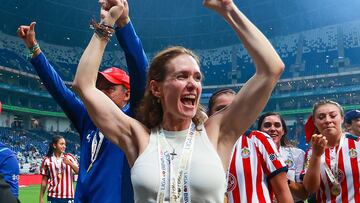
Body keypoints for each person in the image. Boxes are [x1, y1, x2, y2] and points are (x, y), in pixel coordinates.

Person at [73, 0, 287, 202]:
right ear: (156, 88)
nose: (193, 83)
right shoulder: (139, 137)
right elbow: (84, 85)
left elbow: (271, 69)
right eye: (182, 76)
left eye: (197, 77)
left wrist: (228, 9)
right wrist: (107, 23)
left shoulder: (217, 132)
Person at [17, 0, 148, 201]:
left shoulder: (134, 118)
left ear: (128, 94)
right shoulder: (88, 119)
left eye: (110, 88)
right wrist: (33, 49)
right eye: (100, 87)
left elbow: (140, 73)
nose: (102, 92)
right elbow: (59, 90)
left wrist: (124, 23)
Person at [207, 89, 292, 203]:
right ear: (210, 114)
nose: (228, 113)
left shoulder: (259, 140)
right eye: (221, 109)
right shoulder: (201, 145)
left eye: (234, 108)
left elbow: (282, 192)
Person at [303, 100, 360, 202]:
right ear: (315, 123)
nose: (327, 120)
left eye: (333, 116)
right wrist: (316, 155)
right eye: (321, 117)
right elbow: (310, 188)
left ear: (342, 119)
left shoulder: (358, 144)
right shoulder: (311, 152)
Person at [257, 112, 308, 202]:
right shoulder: (251, 157)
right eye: (267, 125)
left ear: (283, 131)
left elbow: (303, 194)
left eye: (277, 125)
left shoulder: (297, 154)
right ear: (259, 131)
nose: (272, 129)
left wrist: (283, 179)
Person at [40, 135, 79, 203]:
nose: (64, 146)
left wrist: (70, 163)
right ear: (54, 145)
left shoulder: (70, 157)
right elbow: (44, 181)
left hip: (68, 196)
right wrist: (41, 198)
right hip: (53, 196)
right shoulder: (47, 160)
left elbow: (80, 172)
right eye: (61, 144)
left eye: (65, 144)